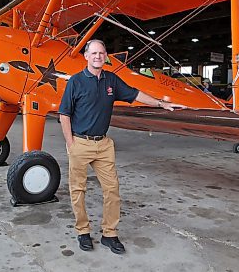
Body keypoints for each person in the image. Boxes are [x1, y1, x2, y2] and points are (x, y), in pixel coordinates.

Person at [58, 39, 186, 254]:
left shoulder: (112, 80)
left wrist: (161, 103)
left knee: (112, 190)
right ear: (86, 56)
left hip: (104, 144)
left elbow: (135, 94)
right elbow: (64, 115)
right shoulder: (76, 82)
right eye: (94, 53)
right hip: (80, 142)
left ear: (106, 56)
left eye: (101, 53)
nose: (98, 56)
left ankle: (110, 234)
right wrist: (71, 144)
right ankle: (83, 231)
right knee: (78, 190)